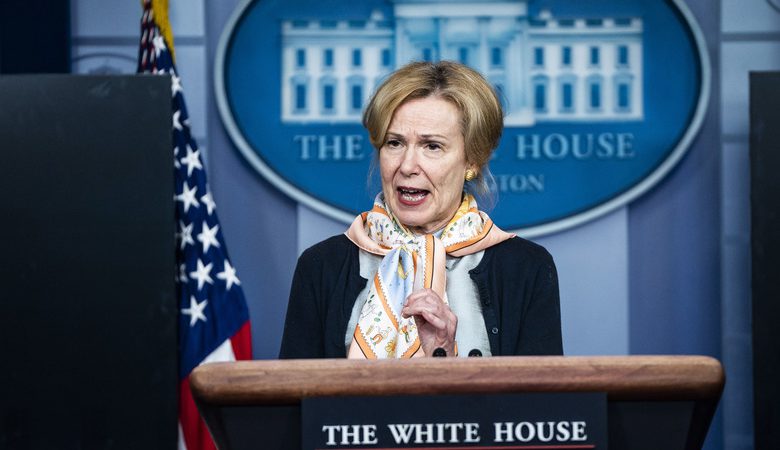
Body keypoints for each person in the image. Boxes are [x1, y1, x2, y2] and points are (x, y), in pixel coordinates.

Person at [279, 61, 562, 359]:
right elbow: (295, 389)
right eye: (395, 143)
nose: (407, 166)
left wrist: (443, 355)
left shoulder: (526, 268)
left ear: (472, 161)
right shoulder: (321, 266)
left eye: (432, 146)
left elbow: (537, 390)